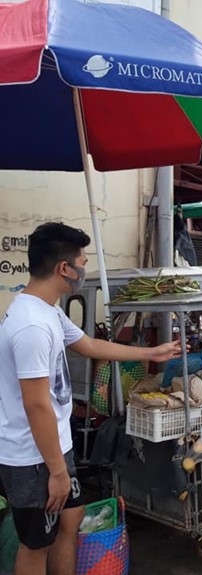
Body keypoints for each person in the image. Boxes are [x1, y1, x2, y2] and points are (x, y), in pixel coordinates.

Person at [0, 222, 183, 575]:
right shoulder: (31, 326)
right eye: (83, 261)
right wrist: (56, 471)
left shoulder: (48, 311)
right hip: (32, 457)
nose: (85, 268)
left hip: (54, 447)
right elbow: (35, 404)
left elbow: (89, 345)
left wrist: (152, 352)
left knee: (71, 519)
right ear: (64, 269)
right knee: (35, 544)